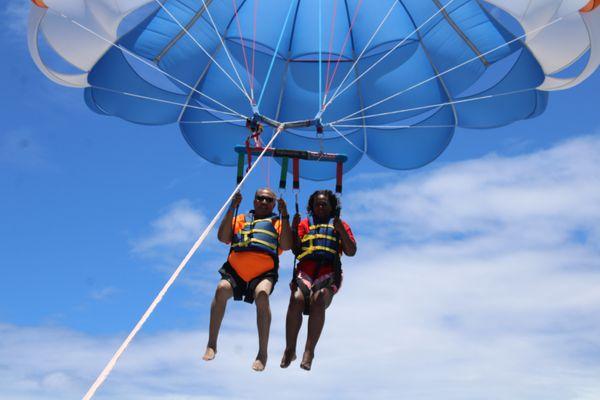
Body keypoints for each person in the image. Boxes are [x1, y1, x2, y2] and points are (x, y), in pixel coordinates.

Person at [203, 188, 292, 371]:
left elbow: (286, 245)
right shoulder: (241, 219)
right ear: (254, 200)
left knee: (262, 295)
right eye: (260, 198)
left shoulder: (277, 222)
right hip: (236, 272)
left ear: (274, 204)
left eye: (269, 200)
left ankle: (262, 353)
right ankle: (212, 343)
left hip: (263, 273)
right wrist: (231, 208)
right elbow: (223, 237)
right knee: (221, 289)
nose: (264, 202)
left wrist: (285, 216)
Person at [280, 190, 356, 370]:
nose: (320, 207)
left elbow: (351, 251)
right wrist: (293, 228)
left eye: (324, 204)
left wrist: (340, 230)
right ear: (311, 207)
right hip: (306, 271)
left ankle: (309, 351)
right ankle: (290, 348)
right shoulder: (305, 224)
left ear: (332, 207)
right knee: (296, 298)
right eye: (317, 204)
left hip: (329, 272)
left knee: (319, 298)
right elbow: (296, 250)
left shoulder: (340, 225)